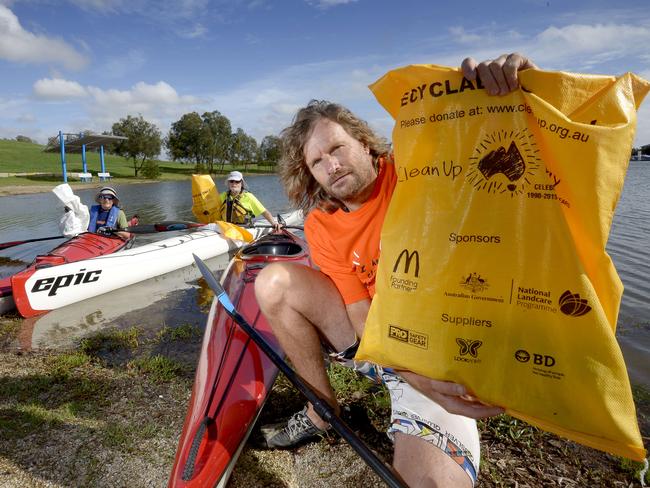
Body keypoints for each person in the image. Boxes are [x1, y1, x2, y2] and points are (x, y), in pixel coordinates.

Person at [254, 53, 537, 487]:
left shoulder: (418, 173)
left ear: (366, 143)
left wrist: (506, 89)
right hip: (378, 341)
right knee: (273, 281)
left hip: (442, 344)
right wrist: (406, 373)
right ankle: (322, 409)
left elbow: (479, 140)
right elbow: (360, 313)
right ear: (309, 173)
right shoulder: (321, 223)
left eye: (337, 148)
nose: (331, 165)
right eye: (316, 161)